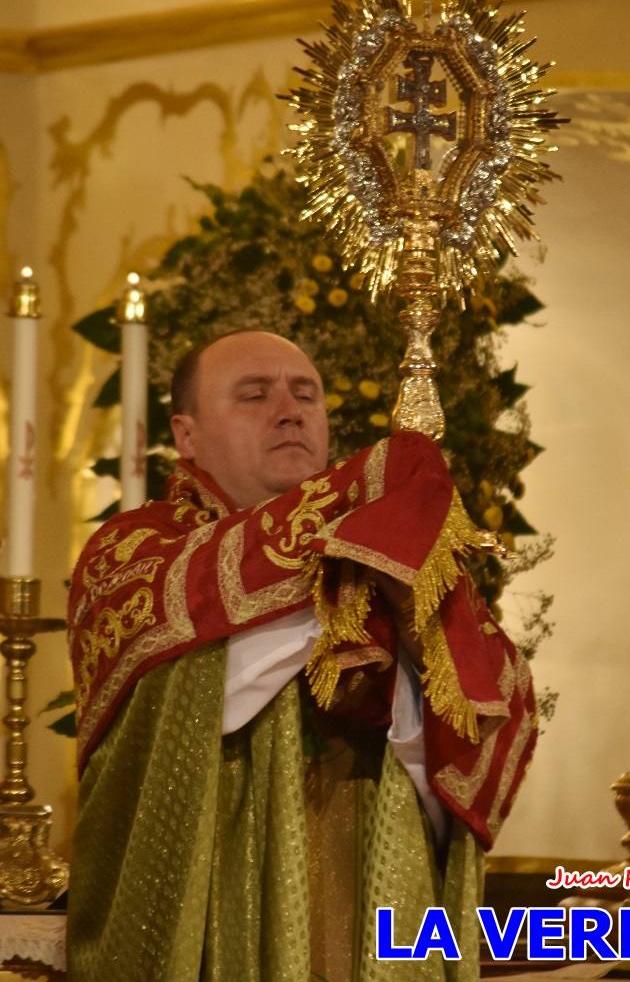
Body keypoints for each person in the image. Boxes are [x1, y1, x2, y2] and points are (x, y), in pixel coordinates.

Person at [67, 329, 537, 981]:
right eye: (254, 394)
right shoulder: (132, 554)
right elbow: (206, 673)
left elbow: (486, 723)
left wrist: (410, 629)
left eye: (306, 394)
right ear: (186, 434)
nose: (289, 410)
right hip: (216, 900)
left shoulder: (383, 553)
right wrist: (365, 511)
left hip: (369, 896)